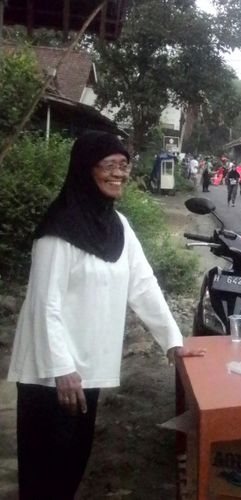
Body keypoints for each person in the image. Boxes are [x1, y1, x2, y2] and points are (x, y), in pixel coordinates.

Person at [5, 132, 205, 500]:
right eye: (109, 165)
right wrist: (62, 368)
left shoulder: (120, 228)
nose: (119, 173)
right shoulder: (58, 231)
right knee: (43, 476)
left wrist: (173, 342)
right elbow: (43, 304)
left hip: (88, 372)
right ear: (85, 169)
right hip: (51, 379)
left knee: (72, 468)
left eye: (124, 165)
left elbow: (143, 286)